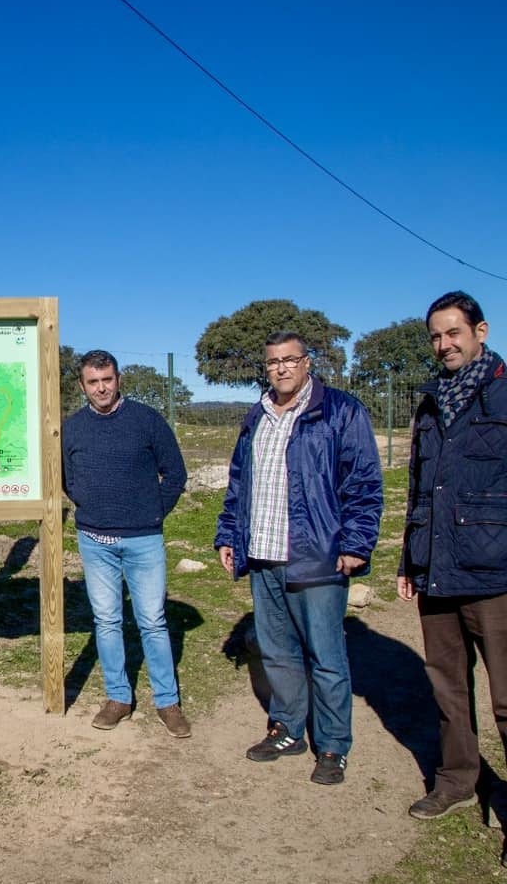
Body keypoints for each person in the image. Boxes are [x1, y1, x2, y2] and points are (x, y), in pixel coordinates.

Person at [215, 332, 382, 785]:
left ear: (307, 363)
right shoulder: (257, 416)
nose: (282, 369)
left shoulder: (339, 411)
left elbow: (364, 483)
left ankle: (332, 745)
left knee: (326, 655)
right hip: (263, 553)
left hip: (317, 555)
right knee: (278, 651)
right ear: (265, 368)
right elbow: (238, 484)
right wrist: (229, 535)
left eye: (290, 360)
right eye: (273, 363)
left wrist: (356, 543)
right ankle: (288, 729)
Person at [398, 291, 507, 822]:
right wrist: (408, 561)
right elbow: (421, 487)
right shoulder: (431, 400)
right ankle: (457, 780)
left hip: (496, 575)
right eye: (436, 337)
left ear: (480, 332)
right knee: (448, 689)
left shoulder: (504, 395)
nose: (444, 345)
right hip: (437, 570)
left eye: (454, 333)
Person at [61, 349, 191, 738]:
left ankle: (168, 703)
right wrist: (89, 505)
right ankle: (118, 697)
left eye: (108, 380)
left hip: (143, 540)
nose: (101, 388)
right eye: (93, 382)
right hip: (94, 540)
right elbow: (67, 479)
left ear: (118, 380)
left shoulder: (147, 421)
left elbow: (176, 474)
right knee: (107, 621)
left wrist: (153, 513)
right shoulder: (72, 428)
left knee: (152, 621)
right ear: (82, 385)